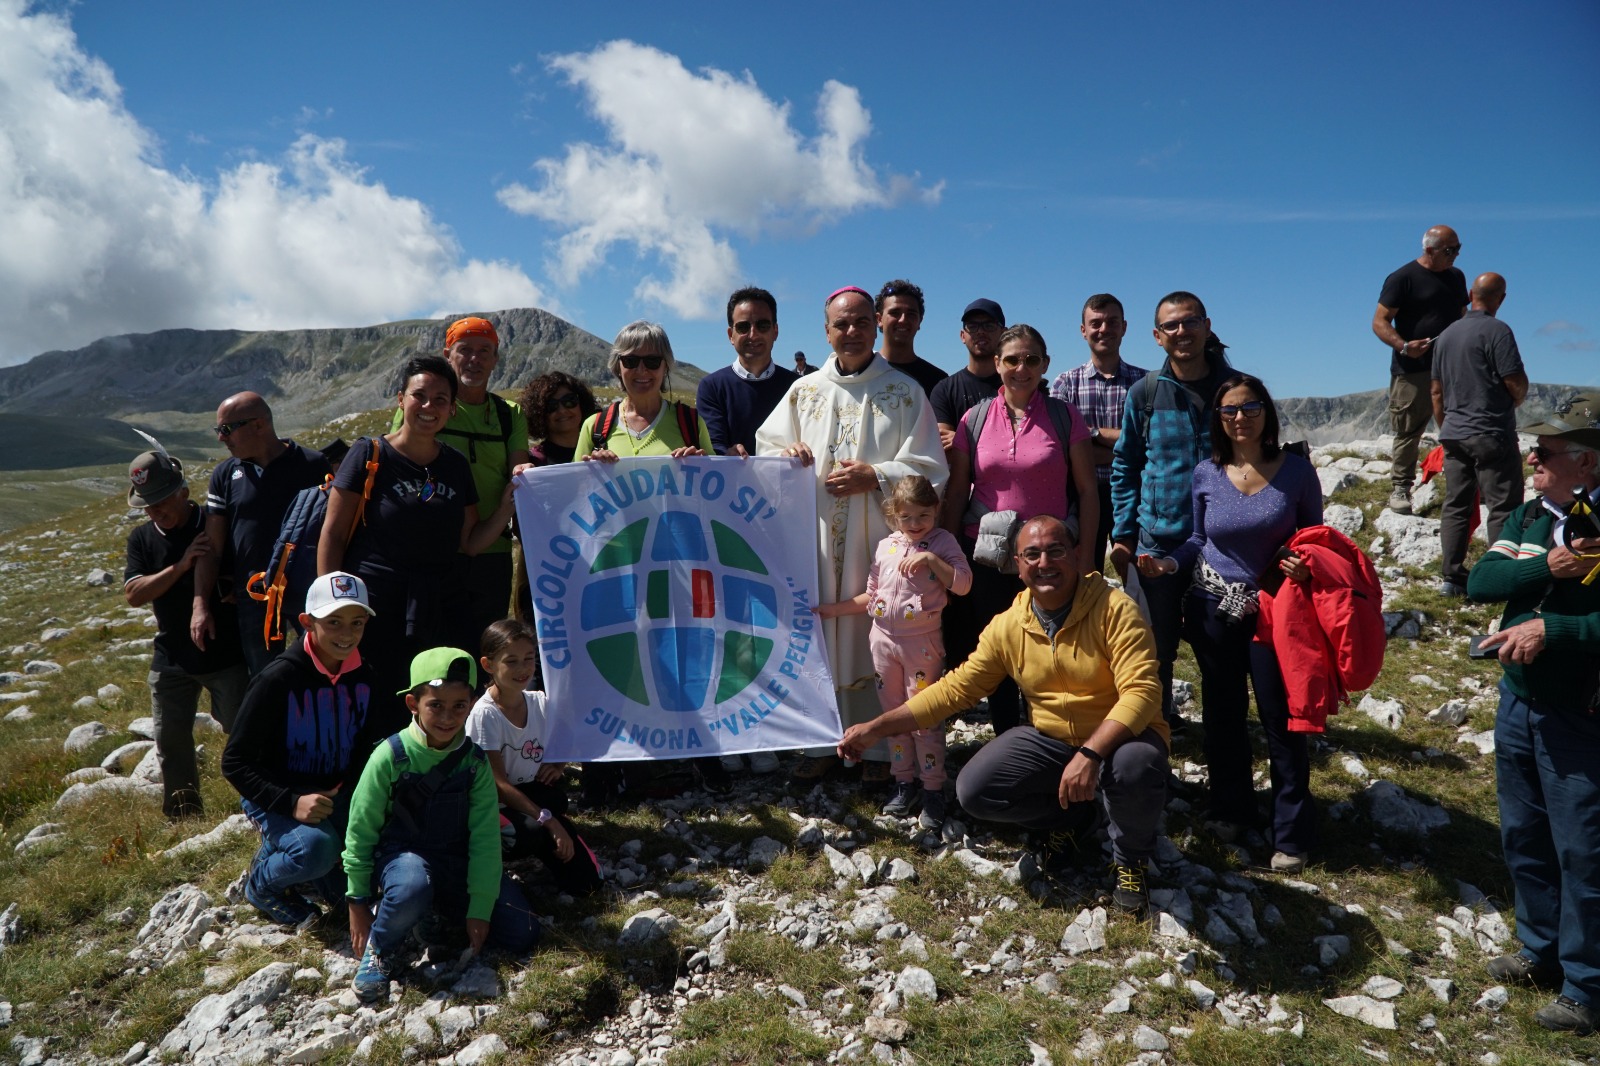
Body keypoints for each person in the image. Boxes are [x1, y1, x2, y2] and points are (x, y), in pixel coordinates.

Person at [839, 515, 1166, 912]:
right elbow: (954, 689)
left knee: (1136, 764)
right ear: (1017, 563)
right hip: (1054, 740)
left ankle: (1130, 859)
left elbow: (1143, 692)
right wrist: (877, 727)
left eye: (1056, 551)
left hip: (1123, 737)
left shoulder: (1115, 609)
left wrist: (1090, 754)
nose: (1045, 562)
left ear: (1077, 555)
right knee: (975, 790)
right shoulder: (1009, 624)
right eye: (1032, 554)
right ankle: (1074, 819)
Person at [755, 285, 948, 785]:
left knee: (878, 642)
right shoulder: (803, 392)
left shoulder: (905, 392)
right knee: (820, 632)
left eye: (862, 321)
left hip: (877, 545)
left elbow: (930, 467)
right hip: (816, 544)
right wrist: (789, 456)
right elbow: (767, 450)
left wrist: (877, 476)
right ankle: (822, 742)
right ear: (826, 331)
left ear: (877, 325)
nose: (852, 331)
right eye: (842, 323)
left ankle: (884, 751)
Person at [1152, 375, 1322, 872]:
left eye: (1250, 408)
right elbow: (1199, 541)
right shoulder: (1206, 472)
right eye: (1229, 410)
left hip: (1275, 609)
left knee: (1280, 717)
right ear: (1219, 420)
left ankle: (1292, 831)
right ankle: (1231, 809)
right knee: (1223, 712)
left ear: (1266, 412)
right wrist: (1168, 564)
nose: (1240, 417)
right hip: (1213, 607)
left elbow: (1317, 537)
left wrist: (1306, 565)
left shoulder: (1295, 471)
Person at [1469, 394, 1600, 1036]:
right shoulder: (1529, 515)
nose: (1531, 457)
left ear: (1588, 462)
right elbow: (1483, 583)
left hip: (1582, 708)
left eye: (1545, 452)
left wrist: (1557, 629)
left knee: (1583, 845)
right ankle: (1539, 950)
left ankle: (1586, 984)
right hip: (1519, 698)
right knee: (1524, 831)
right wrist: (1546, 566)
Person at [575, 320, 730, 795]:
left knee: (684, 652)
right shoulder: (595, 427)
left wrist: (699, 466)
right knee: (623, 654)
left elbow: (718, 496)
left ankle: (701, 756)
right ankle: (617, 761)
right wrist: (587, 473)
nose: (641, 370)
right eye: (630, 360)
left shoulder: (688, 422)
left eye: (651, 360)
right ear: (617, 366)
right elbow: (574, 497)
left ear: (666, 366)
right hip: (618, 563)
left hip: (677, 564)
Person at [345, 647, 541, 1003]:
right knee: (411, 886)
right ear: (412, 704)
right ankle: (381, 948)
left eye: (459, 706)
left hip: (457, 860)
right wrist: (357, 903)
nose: (448, 717)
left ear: (471, 704)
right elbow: (360, 831)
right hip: (402, 859)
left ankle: (434, 915)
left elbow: (484, 838)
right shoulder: (389, 756)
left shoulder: (475, 763)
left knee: (523, 932)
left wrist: (480, 909)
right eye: (436, 705)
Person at [319, 355, 517, 704]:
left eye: (440, 399)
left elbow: (469, 543)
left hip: (441, 604)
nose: (429, 406)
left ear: (452, 409)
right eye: (419, 396)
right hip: (376, 606)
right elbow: (333, 534)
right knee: (379, 699)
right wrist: (334, 605)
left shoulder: (454, 464)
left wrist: (505, 507)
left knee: (438, 699)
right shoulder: (369, 453)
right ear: (401, 400)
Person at [942, 324, 1099, 736]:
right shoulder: (973, 420)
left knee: (1052, 652)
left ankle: (1054, 740)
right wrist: (945, 548)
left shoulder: (1065, 418)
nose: (1021, 368)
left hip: (1050, 558)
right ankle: (1009, 740)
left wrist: (1084, 552)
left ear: (1045, 364)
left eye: (1031, 359)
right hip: (988, 557)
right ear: (997, 364)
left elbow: (1087, 490)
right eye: (1011, 359)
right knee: (1001, 652)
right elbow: (958, 491)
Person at [222, 571, 383, 928]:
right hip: (277, 795)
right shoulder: (276, 679)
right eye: (334, 622)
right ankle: (261, 885)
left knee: (362, 884)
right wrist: (291, 802)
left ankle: (307, 863)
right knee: (316, 851)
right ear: (308, 622)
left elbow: (361, 746)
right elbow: (234, 762)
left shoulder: (365, 675)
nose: (347, 634)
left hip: (332, 796)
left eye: (357, 623)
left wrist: (353, 795)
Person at [1110, 291, 1238, 733]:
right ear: (1157, 336)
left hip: (1225, 546)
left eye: (1189, 322)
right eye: (1171, 326)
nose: (1181, 332)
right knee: (1153, 649)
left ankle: (1224, 737)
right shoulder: (1145, 394)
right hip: (1157, 540)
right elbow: (1126, 464)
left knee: (1221, 648)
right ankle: (1155, 736)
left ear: (1206, 325)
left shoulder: (1236, 391)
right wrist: (1123, 534)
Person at [814, 476, 971, 828]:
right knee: (893, 716)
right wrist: (832, 610)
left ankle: (932, 788)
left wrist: (931, 559)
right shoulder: (886, 546)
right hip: (882, 642)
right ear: (893, 515)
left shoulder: (942, 543)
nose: (915, 525)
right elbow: (872, 595)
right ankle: (903, 782)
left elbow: (963, 584)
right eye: (906, 517)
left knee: (924, 716)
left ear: (936, 512)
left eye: (923, 516)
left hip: (922, 644)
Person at [391, 317, 530, 652]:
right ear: (447, 354)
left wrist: (528, 474)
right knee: (424, 655)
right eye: (464, 350)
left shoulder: (509, 413)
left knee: (482, 654)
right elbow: (397, 461)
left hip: (490, 553)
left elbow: (519, 471)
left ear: (496, 359)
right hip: (427, 552)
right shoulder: (425, 407)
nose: (475, 359)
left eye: (485, 351)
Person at [122, 450, 246, 819]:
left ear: (183, 492)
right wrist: (181, 565)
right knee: (170, 739)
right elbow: (134, 594)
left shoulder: (215, 522)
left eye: (160, 501)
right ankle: (184, 813)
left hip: (225, 654)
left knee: (239, 730)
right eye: (147, 505)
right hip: (171, 655)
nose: (154, 511)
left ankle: (256, 804)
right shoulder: (142, 539)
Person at [195, 392, 330, 673]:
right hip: (255, 598)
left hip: (308, 594)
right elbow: (212, 546)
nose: (221, 438)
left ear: (259, 425)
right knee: (265, 679)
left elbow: (333, 531)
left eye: (227, 429)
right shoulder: (224, 475)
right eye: (219, 430)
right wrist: (200, 605)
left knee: (321, 668)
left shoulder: (313, 465)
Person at [466, 620, 601, 895]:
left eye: (529, 659)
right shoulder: (485, 714)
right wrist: (548, 821)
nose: (523, 669)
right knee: (528, 832)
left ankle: (548, 834)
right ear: (488, 664)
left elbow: (578, 729)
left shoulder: (540, 701)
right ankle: (489, 857)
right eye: (511, 661)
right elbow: (497, 785)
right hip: (493, 804)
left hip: (529, 797)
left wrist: (559, 763)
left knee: (588, 885)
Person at [1430, 272, 1528, 597]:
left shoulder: (1445, 336)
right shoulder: (1498, 331)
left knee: (1456, 505)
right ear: (1501, 298)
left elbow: (1435, 391)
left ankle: (1452, 578)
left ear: (1471, 293)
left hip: (1454, 433)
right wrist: (1516, 398)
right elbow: (1514, 378)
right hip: (1491, 431)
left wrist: (1446, 426)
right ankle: (1499, 579)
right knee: (1503, 507)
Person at [1372, 225, 1468, 514]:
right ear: (1429, 249)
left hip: (1451, 367)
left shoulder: (1456, 277)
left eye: (1458, 249)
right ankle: (1401, 488)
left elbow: (1463, 316)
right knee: (1408, 430)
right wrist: (1403, 346)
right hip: (1412, 369)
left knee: (1458, 426)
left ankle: (1463, 484)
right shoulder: (1403, 278)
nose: (1455, 255)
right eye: (1449, 250)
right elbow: (1379, 321)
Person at [1050, 295, 1147, 575]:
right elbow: (1062, 450)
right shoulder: (1065, 383)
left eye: (1112, 322)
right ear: (1083, 330)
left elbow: (1148, 443)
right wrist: (1126, 448)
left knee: (1138, 578)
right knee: (1082, 574)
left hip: (1134, 495)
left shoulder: (1145, 384)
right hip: (1080, 495)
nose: (1104, 329)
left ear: (1124, 327)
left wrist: (1090, 434)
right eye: (1096, 323)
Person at [696, 287, 800, 458]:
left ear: (775, 331)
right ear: (731, 335)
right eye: (743, 327)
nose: (753, 334)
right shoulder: (711, 387)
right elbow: (714, 445)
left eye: (763, 325)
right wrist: (726, 454)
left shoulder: (797, 386)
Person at [930, 298, 1006, 459]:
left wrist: (961, 440)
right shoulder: (944, 389)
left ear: (1004, 333)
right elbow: (944, 448)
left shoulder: (1016, 384)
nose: (980, 331)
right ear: (962, 335)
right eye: (972, 326)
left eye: (989, 325)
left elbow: (1025, 442)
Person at [874, 279, 947, 398]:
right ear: (879, 319)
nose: (903, 319)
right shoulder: (862, 372)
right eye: (895, 313)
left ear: (920, 321)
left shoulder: (938, 382)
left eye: (911, 314)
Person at [519, 372, 599, 467]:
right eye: (551, 405)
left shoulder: (600, 452)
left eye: (569, 401)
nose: (562, 410)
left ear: (582, 403)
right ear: (539, 413)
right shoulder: (534, 461)